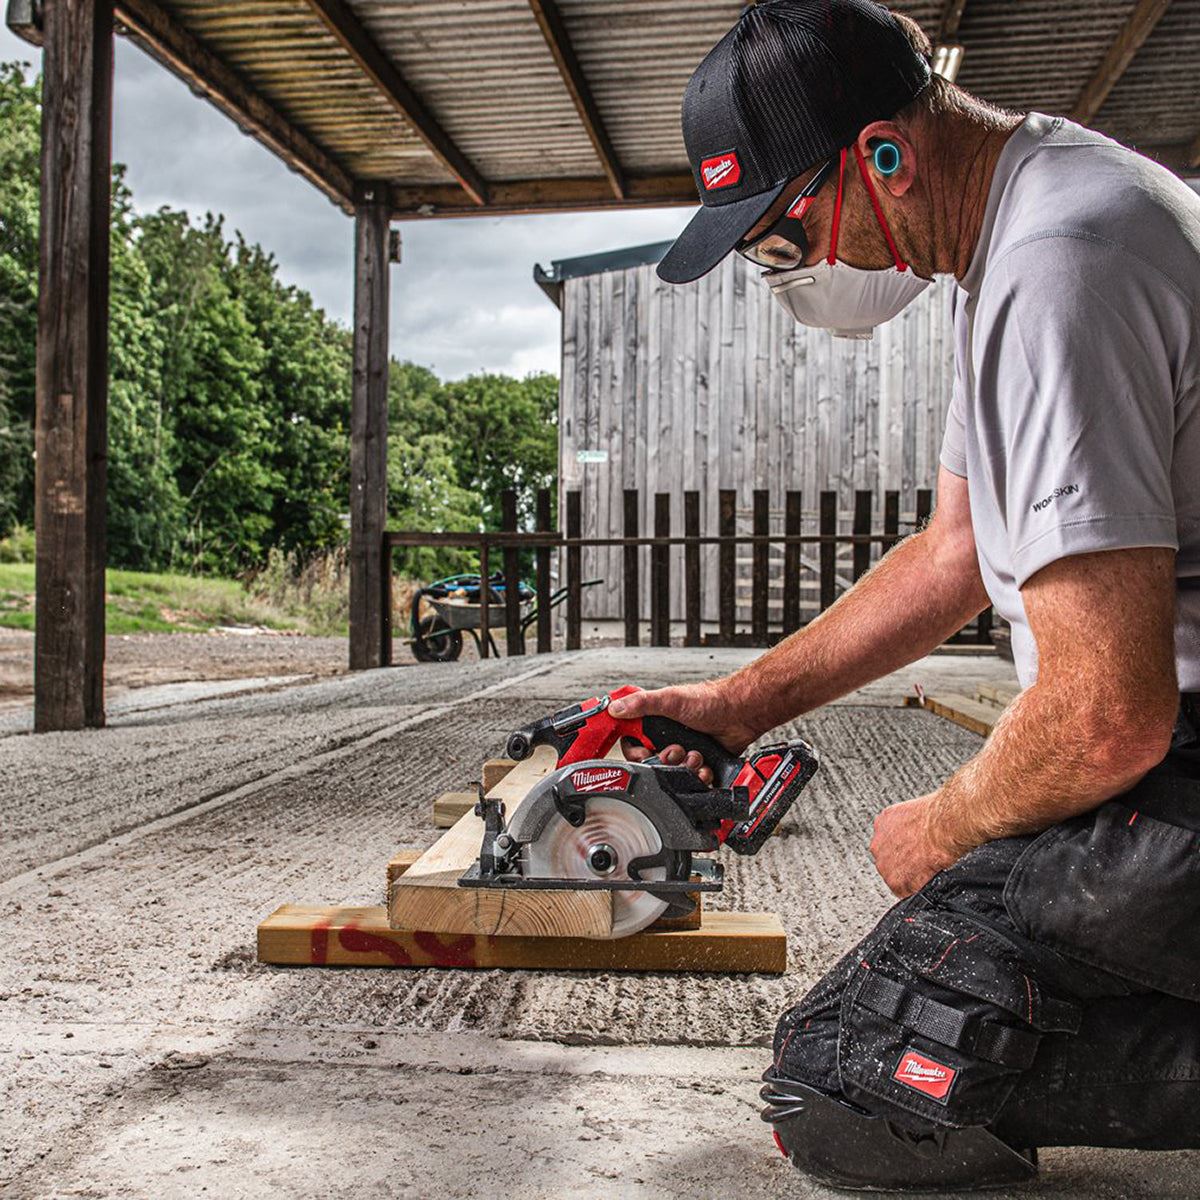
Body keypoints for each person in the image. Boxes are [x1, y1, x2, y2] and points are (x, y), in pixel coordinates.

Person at [614, 0, 1200, 1190]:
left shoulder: (1060, 268)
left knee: (849, 1083)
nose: (797, 268)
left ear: (884, 154)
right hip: (1164, 759)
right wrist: (741, 703)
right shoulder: (1029, 227)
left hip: (1173, 778)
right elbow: (955, 549)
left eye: (784, 234)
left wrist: (943, 821)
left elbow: (1103, 717)